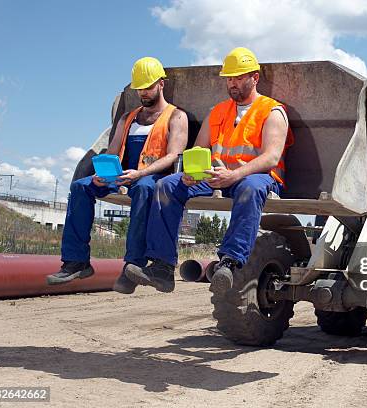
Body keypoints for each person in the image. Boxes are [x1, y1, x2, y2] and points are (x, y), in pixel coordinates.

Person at [125, 47, 294, 294]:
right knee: (167, 185)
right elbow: (198, 149)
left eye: (237, 78)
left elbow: (271, 157)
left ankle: (230, 263)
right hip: (216, 176)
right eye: (229, 79)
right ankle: (162, 267)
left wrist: (235, 175)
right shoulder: (219, 111)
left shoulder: (272, 111)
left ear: (254, 78)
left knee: (250, 188)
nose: (232, 84)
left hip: (257, 177)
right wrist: (192, 172)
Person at [46, 57, 188, 294]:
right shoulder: (127, 119)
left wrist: (140, 173)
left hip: (150, 177)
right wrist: (102, 176)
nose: (143, 93)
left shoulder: (176, 117)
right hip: (121, 176)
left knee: (144, 189)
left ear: (161, 84)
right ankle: (76, 261)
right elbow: (112, 153)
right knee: (81, 186)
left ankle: (133, 265)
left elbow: (174, 155)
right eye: (140, 88)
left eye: (148, 87)